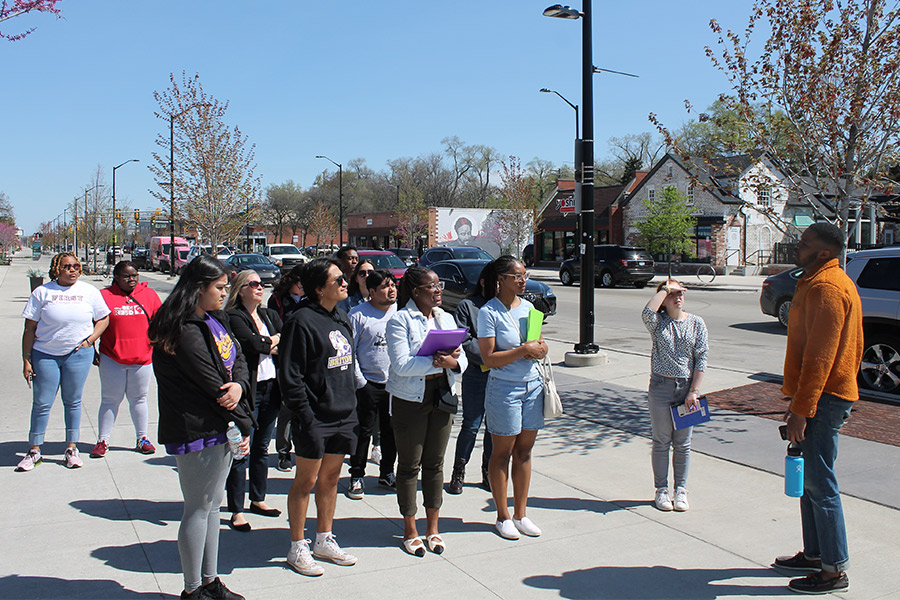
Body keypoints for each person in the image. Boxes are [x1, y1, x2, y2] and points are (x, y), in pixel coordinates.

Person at [149, 254, 253, 600]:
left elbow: (237, 358)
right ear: (198, 289)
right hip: (197, 429)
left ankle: (210, 581)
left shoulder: (213, 320)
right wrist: (245, 421)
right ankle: (192, 589)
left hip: (221, 425)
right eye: (220, 288)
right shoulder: (183, 331)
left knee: (212, 506)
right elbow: (212, 385)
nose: (225, 293)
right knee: (198, 506)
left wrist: (239, 385)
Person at [773, 223, 862, 595]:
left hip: (823, 400)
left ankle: (833, 570)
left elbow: (820, 359)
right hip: (819, 399)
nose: (798, 247)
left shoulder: (828, 287)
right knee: (810, 483)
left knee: (821, 484)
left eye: (806, 244)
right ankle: (815, 554)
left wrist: (801, 409)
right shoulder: (817, 280)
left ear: (825, 253)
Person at [279, 258, 359, 577]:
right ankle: (297, 547)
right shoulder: (301, 321)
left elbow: (347, 368)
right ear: (318, 288)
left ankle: (323, 539)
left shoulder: (341, 317)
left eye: (343, 278)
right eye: (337, 279)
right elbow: (291, 377)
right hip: (314, 418)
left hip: (343, 413)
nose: (344, 283)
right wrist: (306, 418)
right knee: (306, 480)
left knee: (330, 479)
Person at [386, 266, 467, 557]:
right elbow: (401, 366)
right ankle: (410, 529)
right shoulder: (400, 321)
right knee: (410, 465)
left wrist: (452, 363)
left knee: (435, 464)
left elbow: (464, 360)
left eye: (439, 285)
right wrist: (437, 362)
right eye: (431, 286)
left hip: (442, 394)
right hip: (410, 399)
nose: (438, 290)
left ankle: (433, 528)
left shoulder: (446, 317)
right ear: (416, 291)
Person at [18, 252, 110, 472]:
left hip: (78, 355)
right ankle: (34, 450)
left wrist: (90, 340)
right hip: (45, 355)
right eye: (67, 266)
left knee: (73, 401)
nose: (73, 270)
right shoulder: (42, 292)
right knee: (42, 403)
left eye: (76, 266)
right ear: (56, 268)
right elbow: (29, 329)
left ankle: (71, 448)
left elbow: (103, 318)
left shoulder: (89, 291)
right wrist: (26, 359)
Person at [477, 256, 547, 540]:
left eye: (524, 275)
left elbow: (538, 344)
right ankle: (502, 515)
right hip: (504, 388)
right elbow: (488, 358)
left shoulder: (529, 307)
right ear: (501, 279)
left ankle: (521, 513)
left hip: (532, 385)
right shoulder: (488, 312)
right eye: (516, 276)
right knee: (502, 452)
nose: (523, 280)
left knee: (525, 451)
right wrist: (523, 349)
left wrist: (541, 348)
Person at [642, 279, 708, 512]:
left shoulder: (697, 323)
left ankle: (681, 490)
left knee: (683, 443)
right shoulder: (659, 323)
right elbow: (646, 314)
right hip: (660, 387)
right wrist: (663, 290)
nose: (678, 297)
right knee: (661, 441)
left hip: (686, 389)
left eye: (681, 293)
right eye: (673, 294)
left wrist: (694, 392)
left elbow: (701, 358)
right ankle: (661, 490)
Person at [224, 270, 283, 531]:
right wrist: (270, 342)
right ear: (241, 288)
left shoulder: (269, 315)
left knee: (261, 448)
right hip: (249, 391)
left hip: (272, 388)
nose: (261, 288)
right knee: (241, 450)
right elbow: (250, 345)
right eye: (254, 284)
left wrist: (267, 342)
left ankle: (258, 498)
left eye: (262, 284)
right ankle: (236, 509)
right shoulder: (234, 317)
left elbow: (285, 339)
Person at [90, 261, 162, 459]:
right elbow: (93, 324)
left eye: (134, 276)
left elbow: (160, 322)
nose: (131, 280)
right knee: (110, 400)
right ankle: (102, 441)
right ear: (116, 277)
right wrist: (92, 348)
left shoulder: (149, 295)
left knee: (139, 399)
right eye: (126, 276)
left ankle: (143, 438)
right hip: (112, 357)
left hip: (142, 358)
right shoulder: (104, 296)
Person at [346, 269, 398, 499]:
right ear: (372, 291)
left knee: (391, 432)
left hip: (395, 385)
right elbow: (350, 351)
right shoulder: (358, 315)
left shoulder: (401, 313)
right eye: (386, 286)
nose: (391, 289)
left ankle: (387, 472)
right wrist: (361, 382)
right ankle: (356, 475)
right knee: (363, 432)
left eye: (394, 285)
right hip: (368, 384)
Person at [448, 263, 493, 494]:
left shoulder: (503, 307)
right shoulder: (468, 306)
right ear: (484, 282)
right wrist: (491, 355)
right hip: (477, 373)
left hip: (501, 376)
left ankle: (488, 471)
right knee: (471, 425)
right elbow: (464, 340)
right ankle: (459, 470)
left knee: (494, 428)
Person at [267, 264, 305, 471]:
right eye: (300, 283)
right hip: (286, 359)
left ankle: (304, 450)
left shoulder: (313, 299)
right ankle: (284, 452)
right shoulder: (277, 301)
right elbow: (274, 329)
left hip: (308, 360)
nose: (303, 287)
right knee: (287, 408)